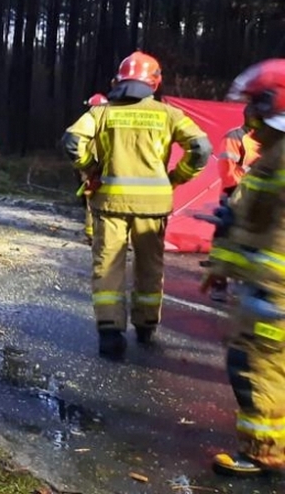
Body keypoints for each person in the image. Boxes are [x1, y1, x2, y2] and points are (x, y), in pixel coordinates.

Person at [62, 50, 212, 360]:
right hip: (153, 205)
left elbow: (72, 141)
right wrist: (176, 177)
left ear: (118, 81)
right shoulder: (168, 114)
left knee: (108, 265)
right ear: (155, 82)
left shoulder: (100, 113)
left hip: (110, 201)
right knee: (150, 265)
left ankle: (110, 334)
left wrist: (91, 169)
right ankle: (146, 327)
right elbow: (201, 147)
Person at [199, 59, 285, 477]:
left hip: (274, 291)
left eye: (255, 104)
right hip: (268, 285)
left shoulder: (279, 160)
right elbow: (249, 222)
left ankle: (263, 453)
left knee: (253, 364)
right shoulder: (273, 156)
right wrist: (222, 265)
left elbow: (259, 227)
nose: (249, 114)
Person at [205, 122, 262, 302]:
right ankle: (219, 284)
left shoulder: (271, 138)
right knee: (224, 242)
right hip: (234, 197)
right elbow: (227, 170)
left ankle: (245, 283)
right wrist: (238, 194)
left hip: (258, 200)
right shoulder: (235, 136)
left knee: (251, 244)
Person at [79, 93, 110, 245]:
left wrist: (85, 169)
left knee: (92, 204)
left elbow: (77, 147)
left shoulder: (89, 125)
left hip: (92, 171)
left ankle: (91, 234)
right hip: (111, 171)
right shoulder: (111, 125)